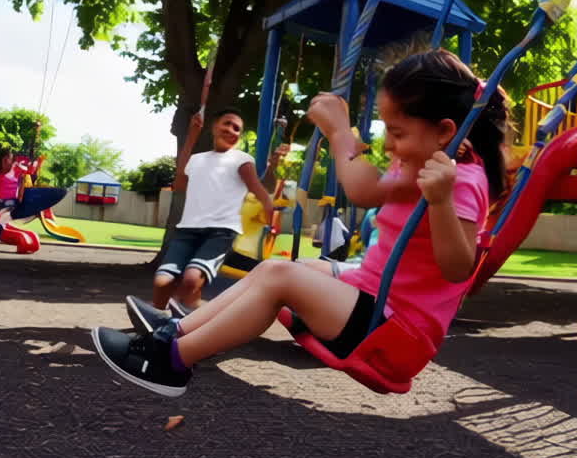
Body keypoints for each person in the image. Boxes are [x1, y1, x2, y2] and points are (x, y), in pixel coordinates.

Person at [93, 48, 509, 397]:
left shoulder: (459, 180)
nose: (387, 144)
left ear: (444, 132)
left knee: (280, 277)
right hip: (374, 299)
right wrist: (350, 140)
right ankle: (175, 329)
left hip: (396, 334)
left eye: (396, 132)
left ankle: (168, 362)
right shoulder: (424, 160)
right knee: (286, 269)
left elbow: (458, 269)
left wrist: (344, 137)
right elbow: (366, 187)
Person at [153, 107, 283, 312]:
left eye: (237, 128)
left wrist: (271, 181)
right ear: (213, 127)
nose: (231, 130)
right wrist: (191, 136)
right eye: (227, 124)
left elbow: (260, 189)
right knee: (162, 283)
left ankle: (187, 322)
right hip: (187, 231)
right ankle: (155, 318)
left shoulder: (241, 159)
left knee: (191, 279)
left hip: (220, 233)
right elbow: (179, 184)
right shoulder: (197, 160)